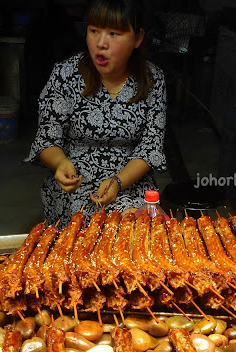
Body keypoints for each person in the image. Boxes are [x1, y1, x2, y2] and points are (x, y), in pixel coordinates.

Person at [26, 0, 166, 228]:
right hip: (75, 181)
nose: (101, 43)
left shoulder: (153, 79)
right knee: (79, 235)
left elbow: (151, 147)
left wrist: (118, 182)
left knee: (132, 228)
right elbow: (46, 140)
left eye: (113, 33)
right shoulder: (65, 74)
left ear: (137, 39)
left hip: (129, 179)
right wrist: (60, 163)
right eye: (94, 31)